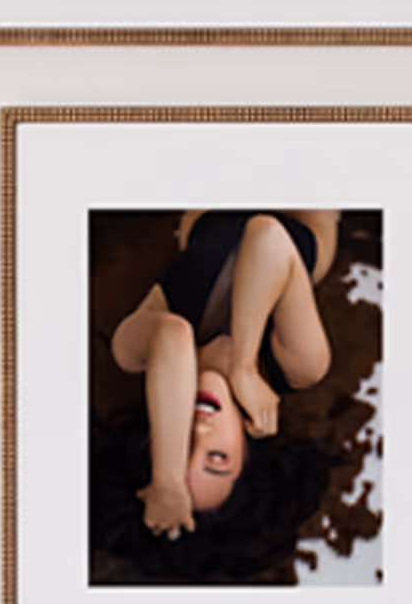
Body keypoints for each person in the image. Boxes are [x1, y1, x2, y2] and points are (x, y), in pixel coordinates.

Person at [92, 209, 348, 585]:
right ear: (247, 450)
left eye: (182, 451)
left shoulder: (134, 352)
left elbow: (173, 336)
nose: (201, 429)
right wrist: (244, 364)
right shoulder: (299, 364)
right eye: (216, 457)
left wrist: (167, 483)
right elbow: (268, 236)